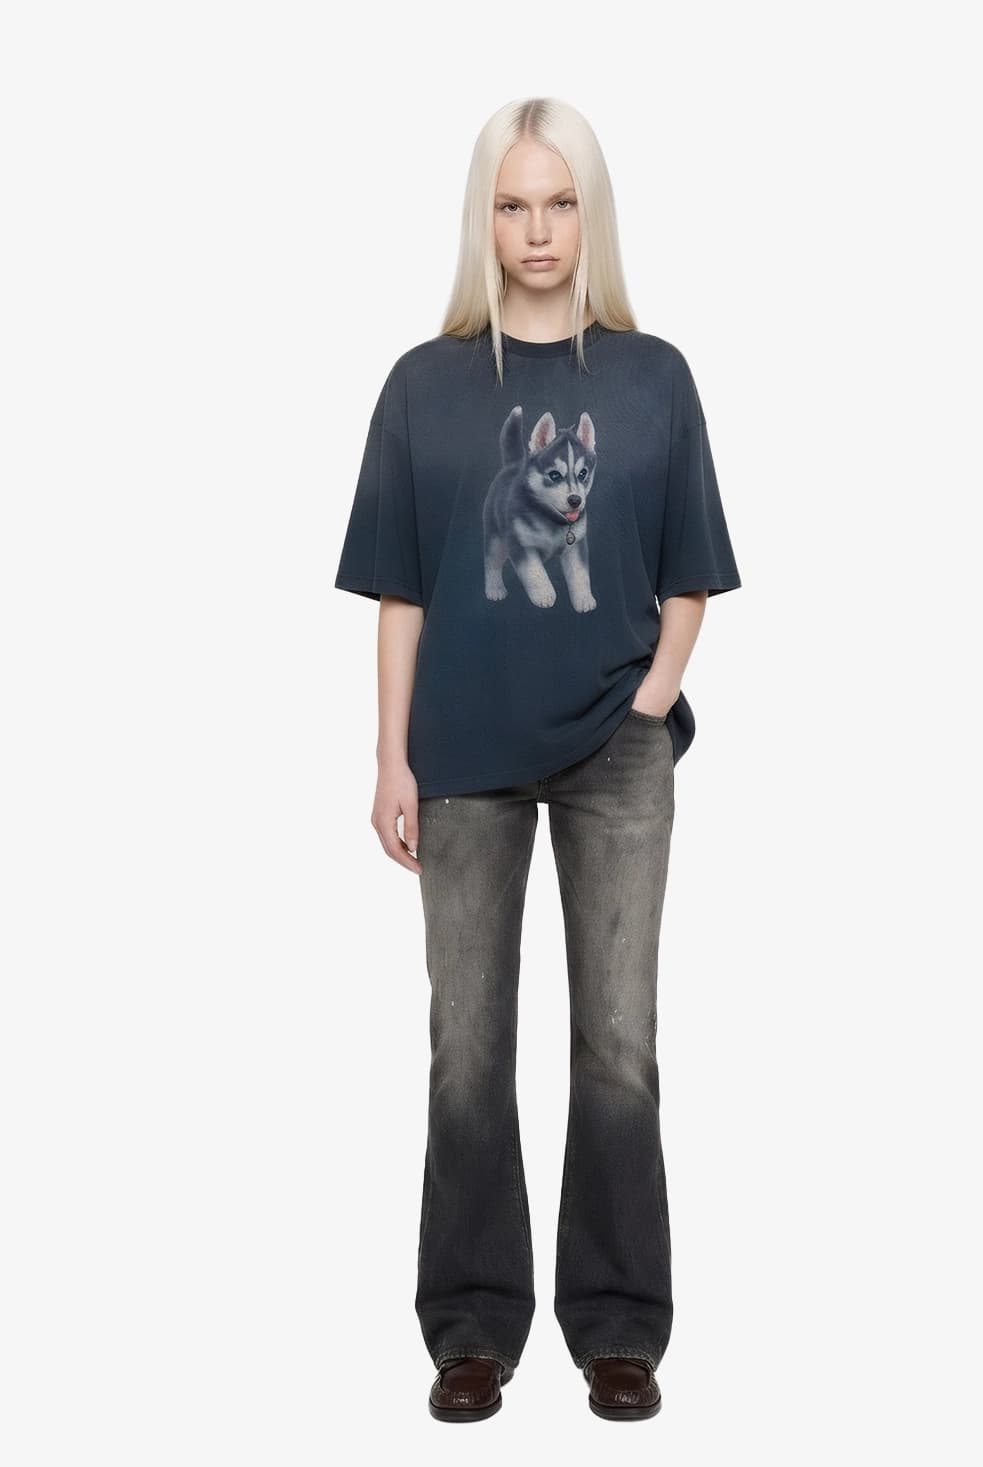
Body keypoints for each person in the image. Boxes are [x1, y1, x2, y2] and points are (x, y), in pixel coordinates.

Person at [334, 96, 742, 1422]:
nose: (537, 229)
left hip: (619, 757)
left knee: (619, 1042)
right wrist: (390, 758)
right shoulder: (424, 384)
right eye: (513, 204)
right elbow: (400, 591)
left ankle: (619, 1327)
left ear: (591, 213)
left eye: (560, 201)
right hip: (460, 757)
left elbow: (690, 575)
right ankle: (471, 1327)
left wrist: (649, 708)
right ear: (485, 218)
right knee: (466, 1046)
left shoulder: (653, 377)